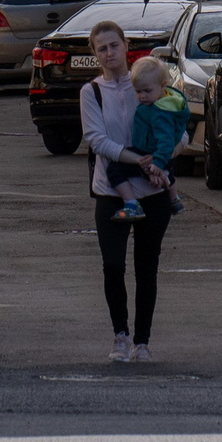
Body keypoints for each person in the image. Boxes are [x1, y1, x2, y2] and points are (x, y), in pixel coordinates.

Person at [79, 19, 172, 362]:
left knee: (146, 268)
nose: (109, 53)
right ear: (95, 54)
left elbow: (177, 129)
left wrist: (160, 161)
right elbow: (96, 139)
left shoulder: (147, 82)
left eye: (114, 45)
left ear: (126, 46)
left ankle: (142, 342)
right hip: (111, 190)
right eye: (101, 48)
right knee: (113, 265)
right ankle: (120, 335)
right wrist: (137, 159)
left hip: (152, 190)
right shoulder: (92, 92)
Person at [102, 56, 186, 219]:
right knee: (168, 171)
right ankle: (174, 199)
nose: (142, 96)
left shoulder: (161, 112)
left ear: (162, 86)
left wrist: (157, 164)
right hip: (157, 153)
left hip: (155, 153)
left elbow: (167, 140)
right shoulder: (161, 103)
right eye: (138, 91)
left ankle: (131, 203)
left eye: (147, 91)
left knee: (114, 170)